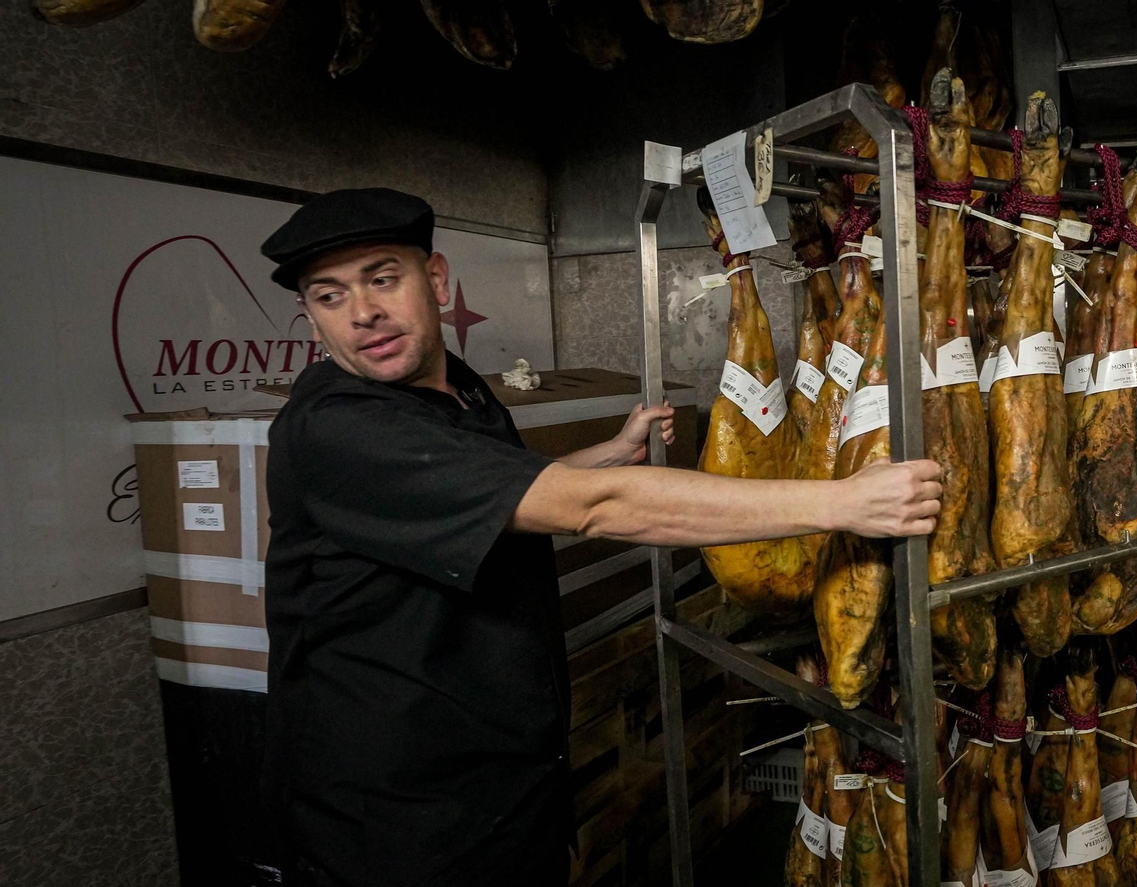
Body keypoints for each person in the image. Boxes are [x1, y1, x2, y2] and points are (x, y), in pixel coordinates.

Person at [257, 188, 944, 887]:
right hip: (395, 824)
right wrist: (843, 502)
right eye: (330, 296)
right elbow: (589, 510)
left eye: (381, 278)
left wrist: (609, 453)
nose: (362, 312)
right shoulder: (338, 430)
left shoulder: (451, 388)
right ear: (311, 318)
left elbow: (506, 491)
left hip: (498, 786)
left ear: (435, 280)